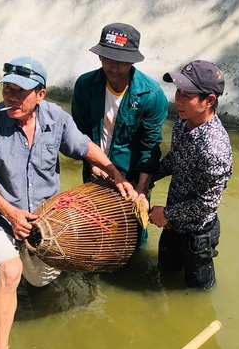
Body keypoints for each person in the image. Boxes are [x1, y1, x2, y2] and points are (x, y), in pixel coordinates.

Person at [0, 56, 137, 349]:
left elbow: (84, 146)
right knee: (11, 272)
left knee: (40, 282)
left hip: (45, 219)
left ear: (40, 94)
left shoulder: (55, 118)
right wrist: (9, 212)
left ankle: (30, 274)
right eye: (8, 89)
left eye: (21, 92)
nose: (11, 97)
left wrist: (115, 174)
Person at [71, 22, 168, 244]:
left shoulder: (150, 95)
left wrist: (142, 190)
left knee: (131, 238)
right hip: (95, 173)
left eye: (121, 62)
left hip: (132, 181)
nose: (113, 67)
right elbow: (79, 135)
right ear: (99, 57)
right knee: (93, 232)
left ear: (132, 61)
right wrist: (94, 165)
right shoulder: (85, 85)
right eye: (107, 59)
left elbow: (150, 147)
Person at [148, 60, 233, 290]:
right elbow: (176, 158)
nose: (178, 100)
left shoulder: (214, 148)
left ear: (209, 101)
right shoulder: (184, 120)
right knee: (165, 272)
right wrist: (147, 178)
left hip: (197, 234)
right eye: (178, 92)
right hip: (174, 224)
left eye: (188, 95)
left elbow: (207, 203)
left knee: (199, 291)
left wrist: (166, 214)